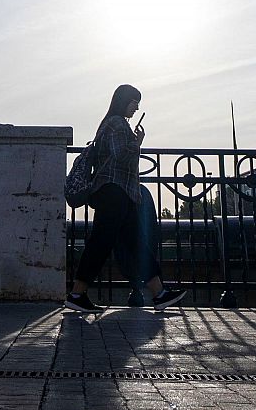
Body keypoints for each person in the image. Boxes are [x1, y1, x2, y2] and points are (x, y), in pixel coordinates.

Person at [65, 84, 186, 313]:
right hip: (114, 191)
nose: (136, 107)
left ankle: (159, 293)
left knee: (135, 242)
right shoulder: (117, 123)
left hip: (119, 193)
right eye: (134, 102)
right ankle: (77, 293)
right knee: (103, 242)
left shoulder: (111, 123)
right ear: (123, 101)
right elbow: (120, 156)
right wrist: (137, 143)